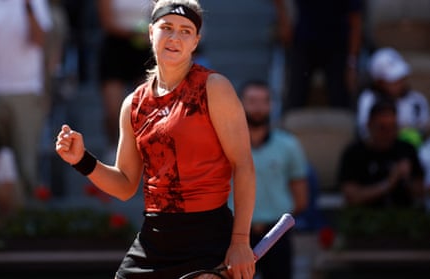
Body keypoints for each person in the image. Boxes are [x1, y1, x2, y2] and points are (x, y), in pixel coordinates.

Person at [55, 0, 256, 278]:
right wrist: (82, 161)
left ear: (196, 41)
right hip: (155, 238)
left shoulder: (214, 88)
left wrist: (240, 242)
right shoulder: (133, 104)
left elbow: (244, 165)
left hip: (208, 237)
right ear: (151, 33)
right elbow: (126, 185)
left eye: (186, 31)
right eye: (167, 28)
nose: (175, 37)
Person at [0, 0, 53, 196]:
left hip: (25, 92)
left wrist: (28, 8)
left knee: (25, 164)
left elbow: (39, 40)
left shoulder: (35, 2)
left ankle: (28, 220)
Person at [236, 80, 308, 279]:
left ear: (271, 105)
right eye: (252, 101)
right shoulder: (226, 145)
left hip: (276, 236)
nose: (258, 107)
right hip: (234, 237)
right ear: (240, 104)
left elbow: (301, 197)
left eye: (263, 101)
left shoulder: (289, 145)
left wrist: (277, 225)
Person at [273, 0, 363, 110]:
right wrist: (284, 21)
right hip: (303, 43)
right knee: (295, 97)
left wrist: (352, 63)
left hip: (337, 47)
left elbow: (356, 21)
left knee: (340, 99)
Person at [338, 100, 425, 208]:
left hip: (403, 216)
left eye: (392, 127)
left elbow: (419, 192)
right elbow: (352, 197)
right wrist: (389, 183)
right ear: (369, 125)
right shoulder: (354, 153)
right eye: (382, 127)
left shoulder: (406, 150)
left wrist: (406, 179)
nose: (388, 133)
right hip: (365, 217)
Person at [97, 0, 152, 162]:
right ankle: (113, 147)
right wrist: (135, 34)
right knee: (113, 110)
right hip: (115, 50)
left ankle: (145, 151)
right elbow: (107, 22)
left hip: (144, 50)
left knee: (146, 108)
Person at [356, 47, 430, 147]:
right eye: (393, 80)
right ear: (379, 81)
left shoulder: (417, 100)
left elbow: (425, 129)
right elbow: (366, 133)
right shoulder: (368, 99)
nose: (399, 83)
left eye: (401, 77)